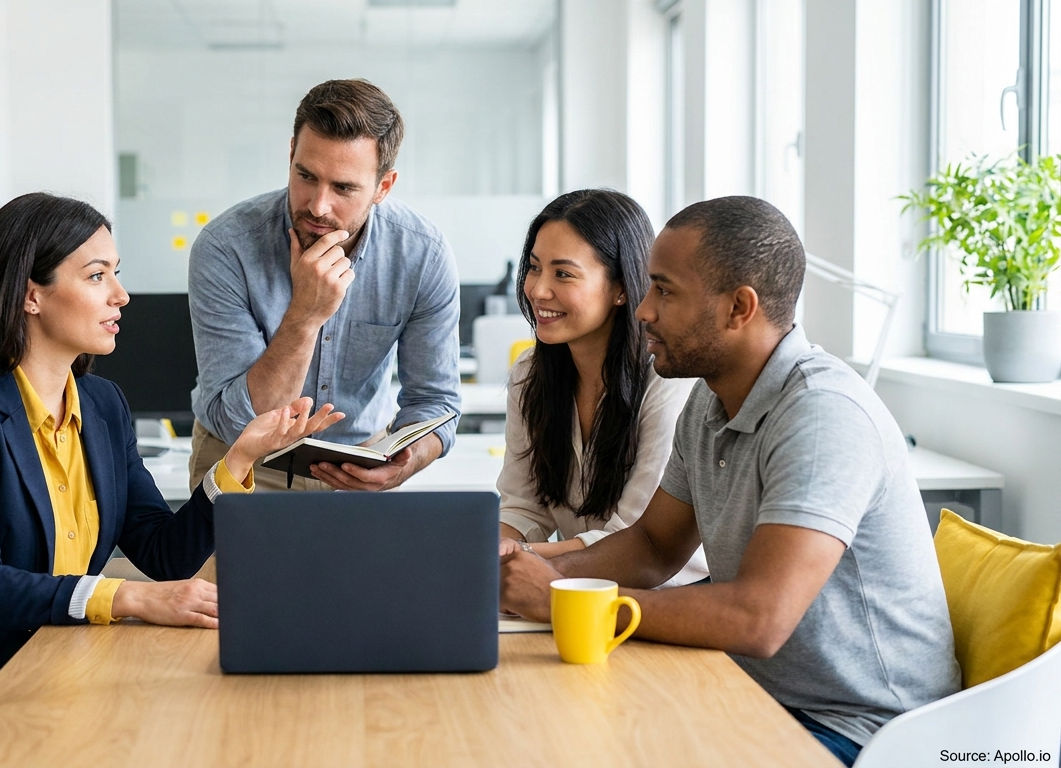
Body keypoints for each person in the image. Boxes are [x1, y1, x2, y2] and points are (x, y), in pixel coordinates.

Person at [0, 193, 343, 765]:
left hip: (45, 687)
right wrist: (130, 599)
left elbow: (164, 554)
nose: (121, 296)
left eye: (116, 274)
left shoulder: (102, 404)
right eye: (97, 275)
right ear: (32, 293)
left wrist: (240, 459)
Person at [498, 196, 960, 766]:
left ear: (740, 307)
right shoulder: (711, 401)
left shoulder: (822, 416)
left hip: (865, 730)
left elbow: (757, 619)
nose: (642, 312)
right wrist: (523, 576)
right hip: (757, 690)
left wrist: (567, 603)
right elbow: (652, 546)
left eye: (664, 291)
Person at [188, 78, 460, 491]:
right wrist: (305, 316)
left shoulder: (422, 254)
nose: (318, 204)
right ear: (291, 154)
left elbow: (436, 402)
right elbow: (238, 421)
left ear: (383, 187)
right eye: (306, 176)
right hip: (242, 461)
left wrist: (404, 464)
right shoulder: (227, 247)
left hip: (359, 467)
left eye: (344, 188)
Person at [496, 189, 706, 586]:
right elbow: (523, 508)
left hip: (669, 595)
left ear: (622, 288)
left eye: (563, 273)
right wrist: (489, 553)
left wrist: (515, 558)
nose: (538, 289)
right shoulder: (530, 372)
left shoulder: (667, 382)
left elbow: (632, 537)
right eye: (535, 267)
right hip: (580, 587)